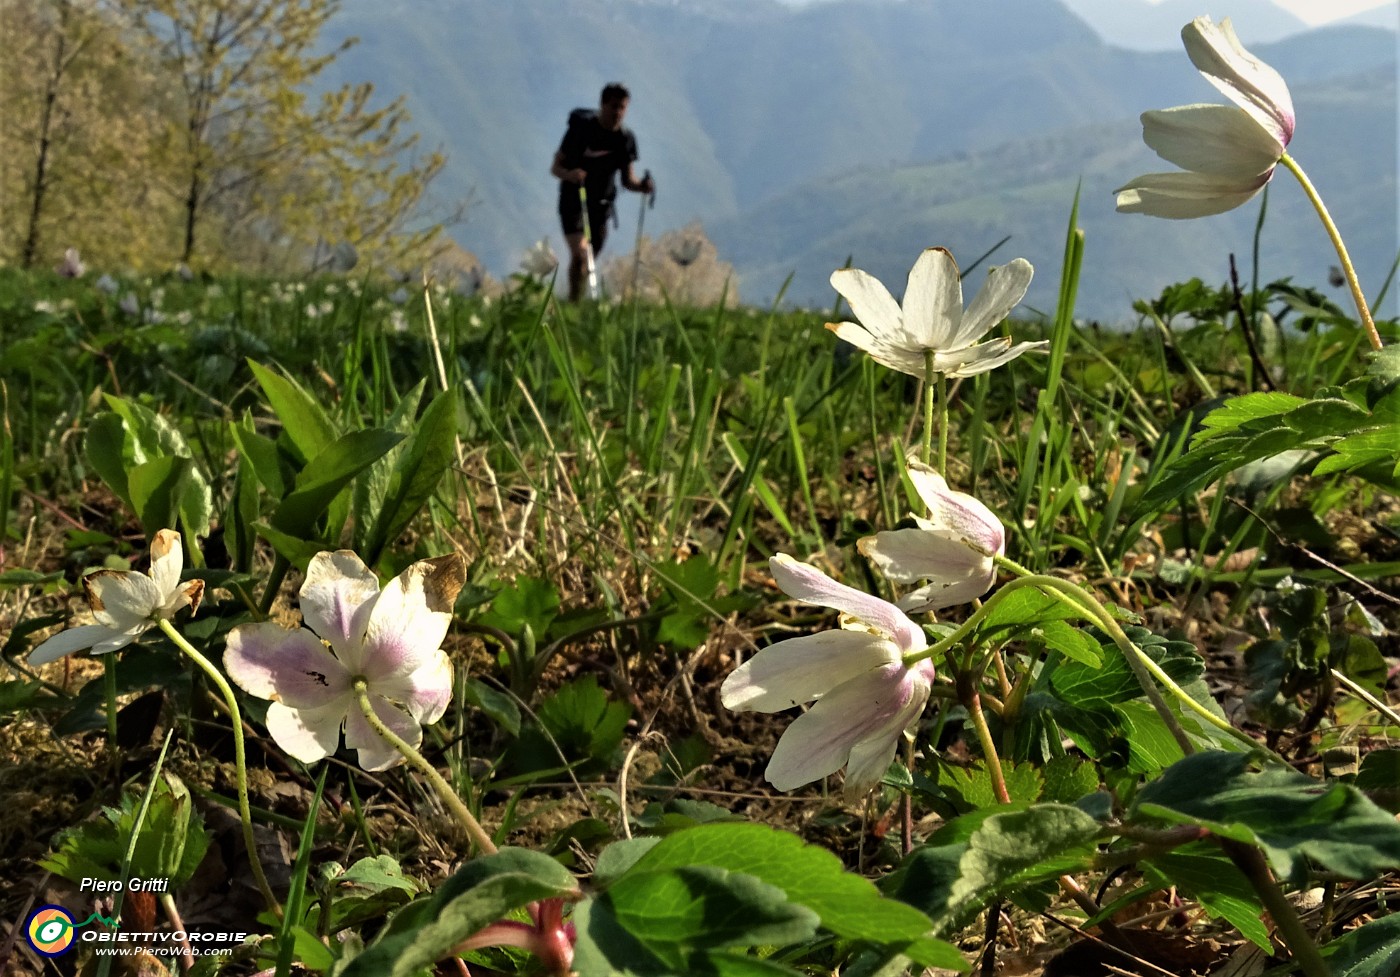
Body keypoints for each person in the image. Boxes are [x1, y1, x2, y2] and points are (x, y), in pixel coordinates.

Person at [551, 83, 656, 301]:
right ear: (602, 105)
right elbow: (555, 168)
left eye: (623, 107)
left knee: (587, 262)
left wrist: (642, 187)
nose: (618, 112)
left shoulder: (626, 140)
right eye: (614, 106)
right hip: (573, 200)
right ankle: (573, 303)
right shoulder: (581, 129)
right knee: (581, 256)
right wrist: (571, 175)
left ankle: (574, 303)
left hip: (601, 206)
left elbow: (628, 180)